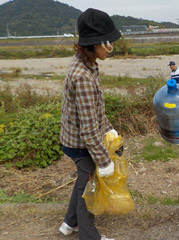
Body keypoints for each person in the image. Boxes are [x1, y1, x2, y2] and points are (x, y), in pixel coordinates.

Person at [59, 8, 121, 240]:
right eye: (108, 42)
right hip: (80, 143)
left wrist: (109, 129)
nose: (110, 47)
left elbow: (94, 110)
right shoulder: (83, 77)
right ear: (97, 43)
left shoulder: (86, 64)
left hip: (74, 138)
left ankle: (69, 223)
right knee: (88, 188)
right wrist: (104, 161)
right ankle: (88, 235)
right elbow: (87, 128)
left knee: (82, 179)